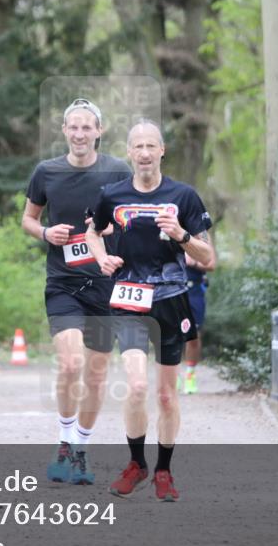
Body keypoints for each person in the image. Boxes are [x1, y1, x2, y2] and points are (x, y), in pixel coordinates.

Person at [86, 119, 215, 502]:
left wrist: (181, 235)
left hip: (172, 299)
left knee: (165, 396)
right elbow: (93, 231)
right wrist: (101, 259)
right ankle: (136, 464)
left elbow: (208, 257)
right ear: (129, 152)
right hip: (128, 298)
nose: (144, 153)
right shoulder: (111, 195)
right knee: (138, 385)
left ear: (162, 151)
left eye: (150, 146)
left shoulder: (184, 197)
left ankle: (163, 470)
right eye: (137, 146)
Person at [22, 98, 131, 485]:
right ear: (64, 131)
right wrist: (45, 233)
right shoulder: (46, 172)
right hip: (63, 281)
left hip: (104, 282)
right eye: (74, 127)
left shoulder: (118, 170)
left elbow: (131, 218)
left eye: (88, 127)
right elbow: (28, 218)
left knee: (97, 373)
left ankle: (81, 449)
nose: (80, 134)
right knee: (70, 364)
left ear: (99, 131)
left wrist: (108, 230)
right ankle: (65, 441)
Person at [180, 254, 214, 394]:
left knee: (193, 336)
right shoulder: (164, 232)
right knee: (171, 334)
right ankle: (172, 373)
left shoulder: (201, 234)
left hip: (194, 291)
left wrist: (192, 262)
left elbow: (211, 264)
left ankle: (190, 375)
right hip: (171, 287)